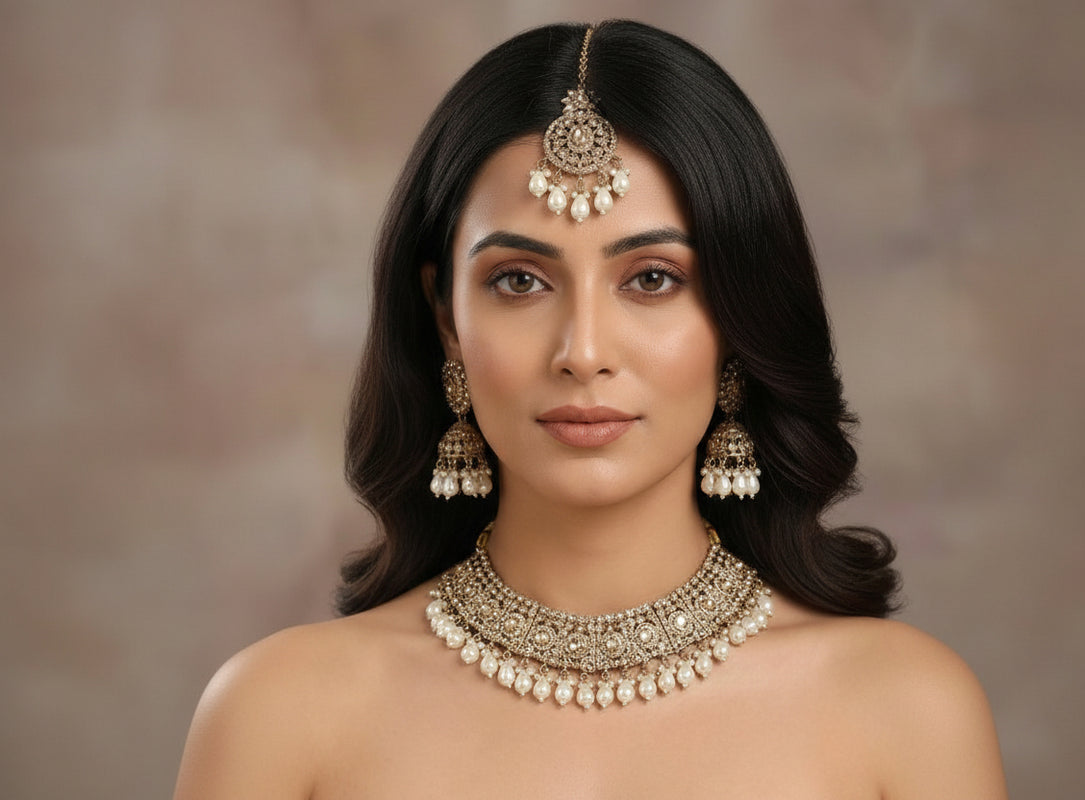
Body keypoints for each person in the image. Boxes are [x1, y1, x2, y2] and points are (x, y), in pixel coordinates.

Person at [175, 20, 1007, 799]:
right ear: (444, 320)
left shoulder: (904, 709)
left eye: (652, 279)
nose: (582, 350)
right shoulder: (278, 714)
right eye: (519, 282)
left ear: (739, 318)